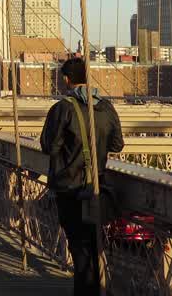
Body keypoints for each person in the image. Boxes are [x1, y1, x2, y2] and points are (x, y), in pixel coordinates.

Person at [38, 57, 125, 296]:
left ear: (67, 79)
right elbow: (117, 145)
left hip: (70, 189)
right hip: (97, 186)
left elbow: (49, 146)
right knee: (95, 247)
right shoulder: (106, 107)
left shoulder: (62, 108)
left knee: (79, 250)